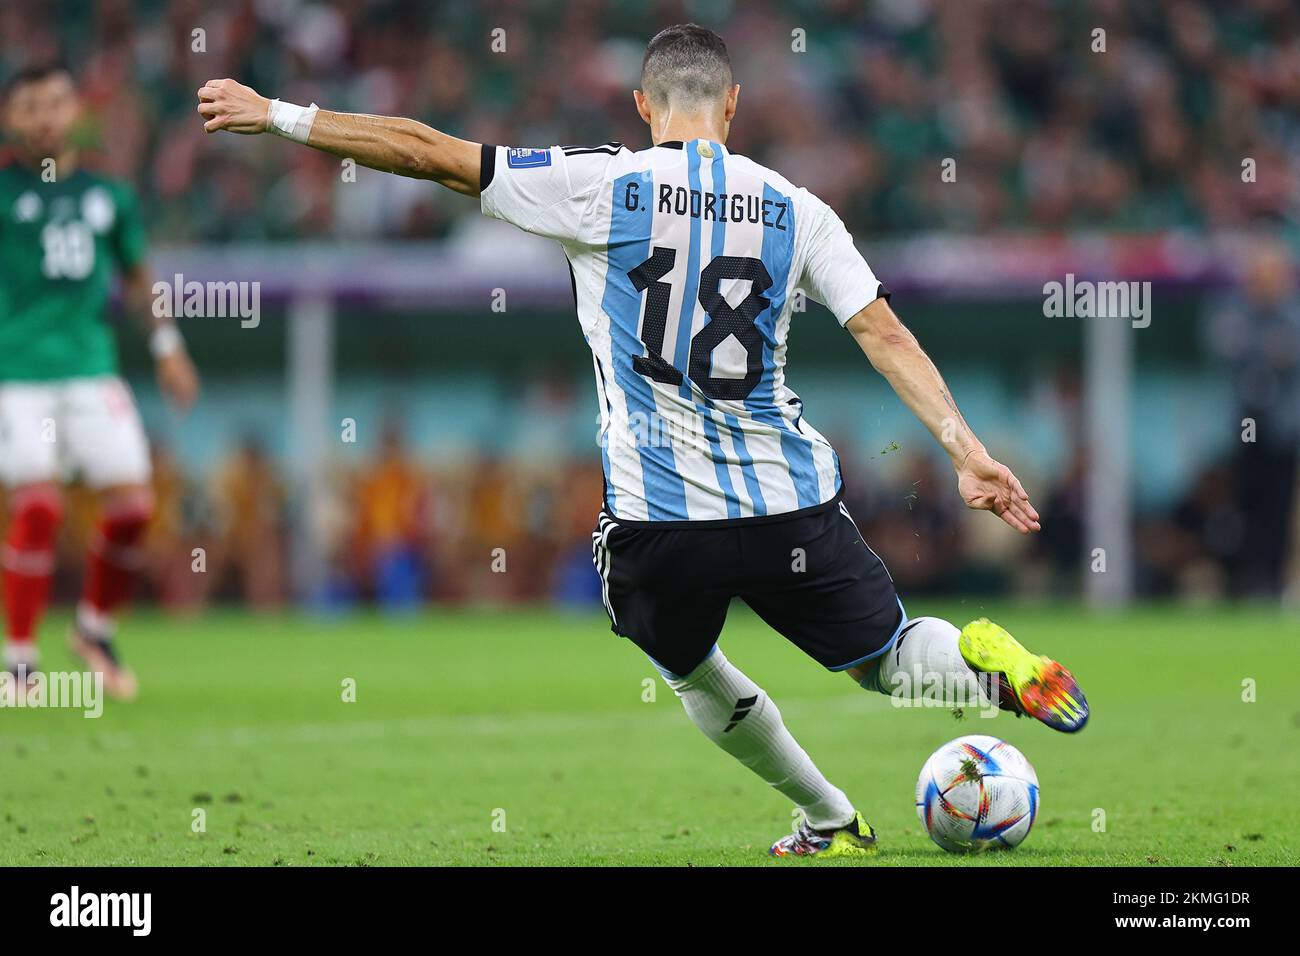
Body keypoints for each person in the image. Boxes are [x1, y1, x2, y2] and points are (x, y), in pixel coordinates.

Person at [196, 23, 1087, 858]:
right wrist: (966, 450)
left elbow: (430, 153)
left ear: (641, 106)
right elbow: (883, 333)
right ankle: (994, 673)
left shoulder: (599, 184)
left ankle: (828, 815)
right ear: (732, 106)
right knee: (889, 659)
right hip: (790, 507)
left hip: (661, 525)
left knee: (693, 668)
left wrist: (280, 115)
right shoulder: (798, 209)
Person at [1, 64, 199, 700]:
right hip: (18, 374)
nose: (45, 117)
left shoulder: (108, 196)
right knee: (38, 505)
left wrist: (168, 347)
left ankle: (92, 627)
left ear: (75, 111)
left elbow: (139, 277)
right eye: (30, 106)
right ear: (11, 119)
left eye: (56, 102)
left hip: (92, 371)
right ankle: (21, 658)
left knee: (135, 508)